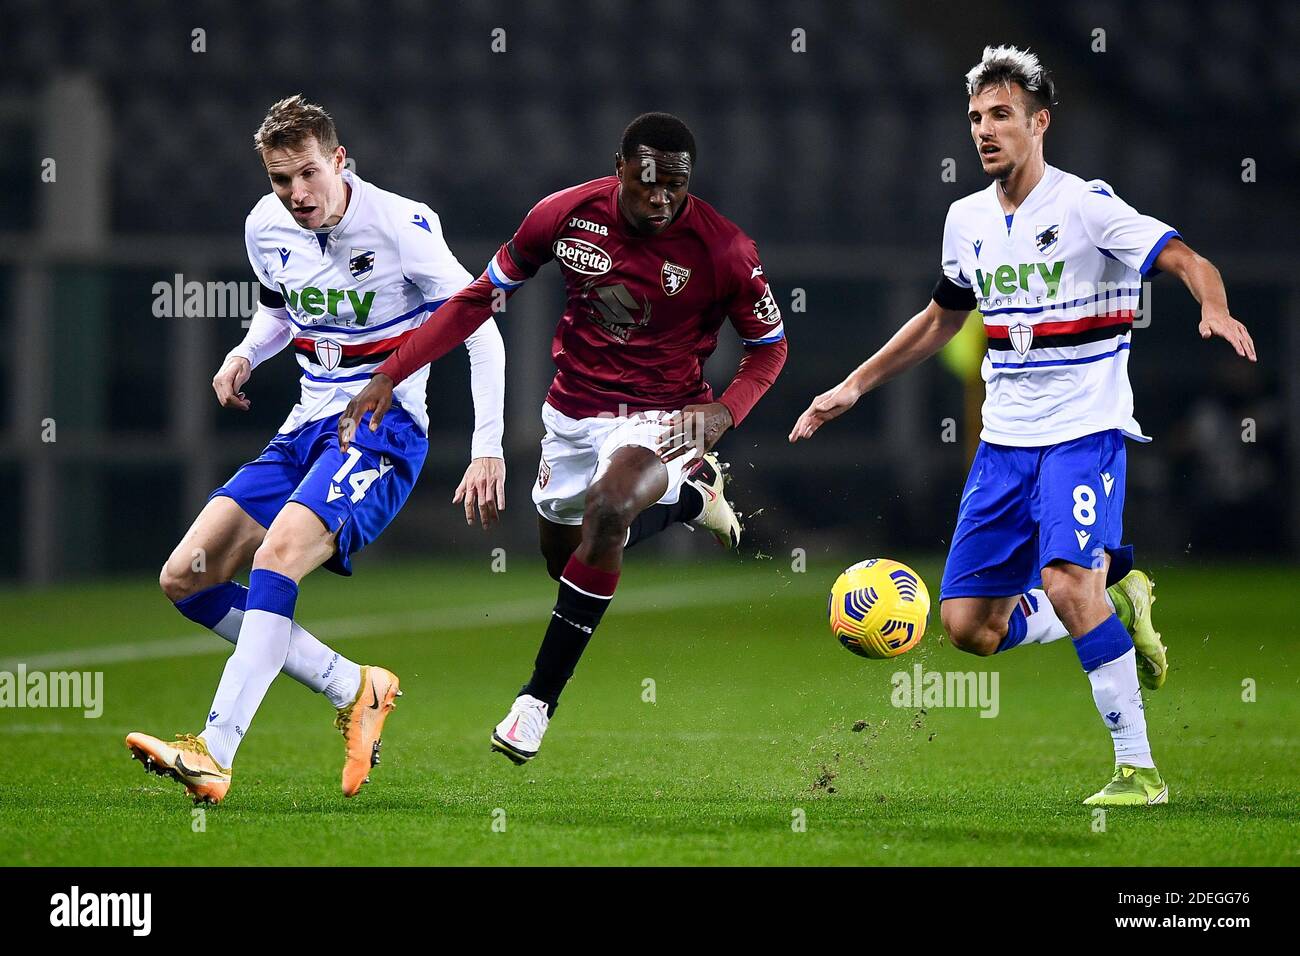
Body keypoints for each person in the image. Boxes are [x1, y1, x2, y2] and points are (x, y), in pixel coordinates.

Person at [790, 46, 1255, 806]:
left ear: (1039, 122)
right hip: (1005, 445)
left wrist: (1213, 302)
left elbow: (1185, 257)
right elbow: (943, 316)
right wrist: (853, 385)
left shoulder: (1086, 206)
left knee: (1069, 584)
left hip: (1085, 430)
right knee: (968, 625)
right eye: (976, 117)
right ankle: (1118, 595)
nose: (984, 130)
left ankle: (1139, 770)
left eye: (1001, 115)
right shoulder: (965, 219)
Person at [342, 112, 788, 764]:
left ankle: (536, 702)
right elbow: (475, 301)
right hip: (571, 417)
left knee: (609, 512)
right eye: (648, 182)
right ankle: (694, 501)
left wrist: (724, 412)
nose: (662, 197)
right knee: (569, 560)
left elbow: (769, 350)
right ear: (618, 170)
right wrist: (390, 371)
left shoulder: (724, 250)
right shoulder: (562, 215)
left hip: (664, 415)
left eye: (676, 184)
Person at [126, 95, 507, 803]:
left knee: (276, 559)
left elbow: (478, 324)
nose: (296, 195)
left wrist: (489, 447)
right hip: (304, 427)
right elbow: (279, 309)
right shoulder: (264, 226)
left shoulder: (403, 225)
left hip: (383, 431)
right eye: (279, 179)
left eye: (307, 174)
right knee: (186, 577)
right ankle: (354, 686)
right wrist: (244, 353)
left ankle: (214, 749)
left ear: (339, 161)